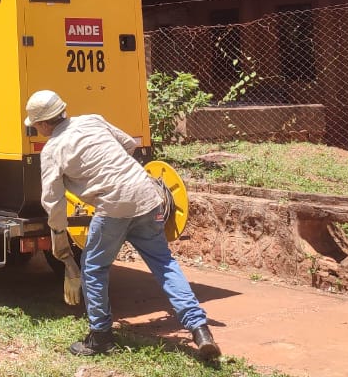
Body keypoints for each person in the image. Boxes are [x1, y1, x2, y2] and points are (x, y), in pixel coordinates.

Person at [25, 89, 220, 360]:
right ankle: (200, 330)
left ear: (44, 123)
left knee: (93, 269)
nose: (35, 129)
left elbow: (53, 201)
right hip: (146, 194)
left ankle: (101, 337)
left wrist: (59, 234)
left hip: (114, 206)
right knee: (164, 264)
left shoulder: (52, 150)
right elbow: (128, 144)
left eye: (35, 125)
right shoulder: (92, 120)